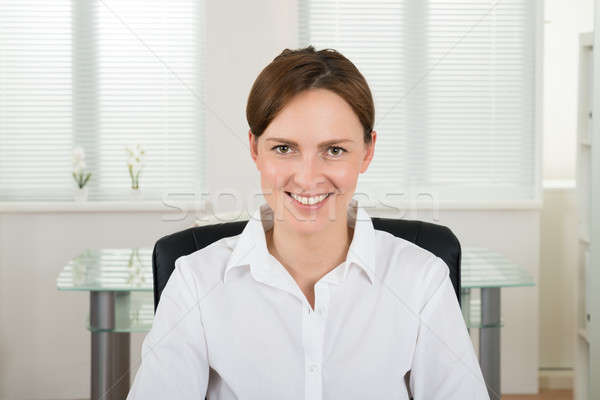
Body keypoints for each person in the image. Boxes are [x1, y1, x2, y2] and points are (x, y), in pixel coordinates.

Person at [126, 45, 489, 399]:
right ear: (255, 149)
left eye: (334, 150)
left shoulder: (422, 280)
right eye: (284, 148)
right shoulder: (195, 283)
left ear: (368, 151)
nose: (307, 177)